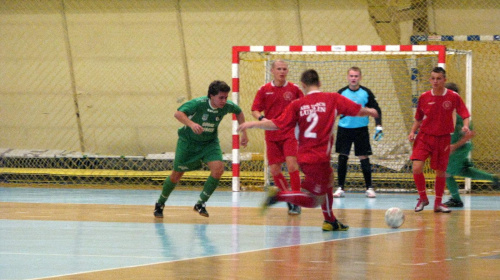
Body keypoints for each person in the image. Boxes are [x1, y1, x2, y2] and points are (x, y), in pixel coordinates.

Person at [238, 69, 379, 231]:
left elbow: (277, 123)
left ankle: (330, 221)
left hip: (304, 156)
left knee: (328, 181)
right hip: (318, 158)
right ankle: (279, 196)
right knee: (314, 200)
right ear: (319, 83)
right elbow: (357, 110)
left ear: (303, 85)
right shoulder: (332, 98)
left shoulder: (297, 104)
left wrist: (254, 124)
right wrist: (371, 112)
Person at [154, 80, 248, 218]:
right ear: (211, 96)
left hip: (210, 143)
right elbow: (178, 114)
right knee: (176, 175)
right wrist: (191, 124)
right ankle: (160, 203)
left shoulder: (226, 106)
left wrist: (244, 132)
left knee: (218, 170)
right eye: (220, 97)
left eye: (226, 97)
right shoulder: (198, 104)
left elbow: (239, 112)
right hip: (188, 143)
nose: (224, 100)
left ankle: (200, 203)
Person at [408, 67, 470, 213]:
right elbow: (419, 117)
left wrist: (466, 126)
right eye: (433, 78)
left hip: (442, 138)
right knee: (416, 167)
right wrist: (412, 131)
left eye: (439, 78)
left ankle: (438, 203)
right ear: (430, 80)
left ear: (444, 80)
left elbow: (465, 113)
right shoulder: (424, 97)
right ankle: (423, 198)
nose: (435, 81)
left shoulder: (453, 96)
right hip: (424, 137)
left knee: (440, 171)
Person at [251, 59, 304, 215]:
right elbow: (255, 109)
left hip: (289, 132)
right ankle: (288, 197)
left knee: (292, 164)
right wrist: (262, 119)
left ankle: (297, 200)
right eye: (279, 69)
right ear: (272, 71)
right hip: (271, 133)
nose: (282, 71)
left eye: (284, 69)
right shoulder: (264, 90)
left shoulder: (294, 89)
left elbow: (303, 105)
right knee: (274, 169)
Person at [443, 83, 499, 207]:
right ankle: (493, 178)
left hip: (458, 149)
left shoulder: (458, 114)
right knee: (464, 171)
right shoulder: (450, 110)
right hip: (457, 148)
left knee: (445, 172)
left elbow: (470, 134)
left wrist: (455, 146)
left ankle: (456, 199)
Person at [333, 66, 383, 199]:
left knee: (364, 157)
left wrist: (379, 126)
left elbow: (376, 109)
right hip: (344, 130)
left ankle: (369, 188)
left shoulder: (366, 92)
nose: (353, 78)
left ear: (360, 77)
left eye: (356, 76)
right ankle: (340, 188)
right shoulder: (341, 93)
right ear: (347, 77)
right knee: (342, 157)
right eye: (351, 76)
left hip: (361, 130)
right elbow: (333, 111)